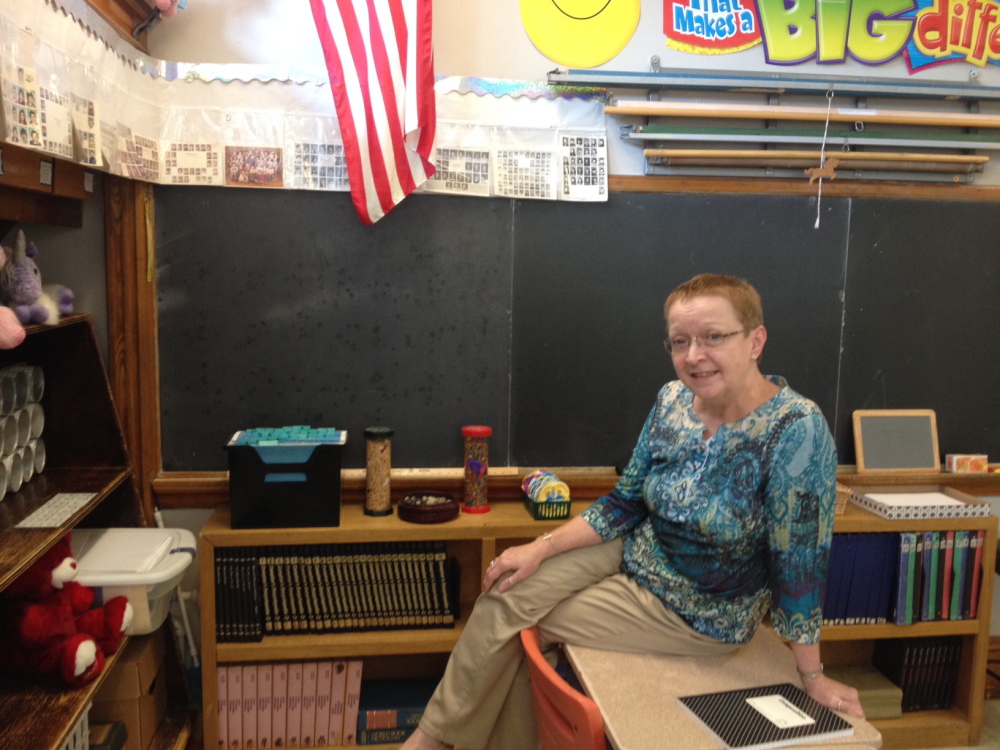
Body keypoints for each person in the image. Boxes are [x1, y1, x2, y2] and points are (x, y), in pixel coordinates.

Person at [401, 273, 863, 750]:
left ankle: (437, 745)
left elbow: (800, 567)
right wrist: (541, 548)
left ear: (756, 341)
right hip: (635, 546)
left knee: (525, 628)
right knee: (506, 586)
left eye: (713, 337)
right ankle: (429, 741)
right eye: (680, 341)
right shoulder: (672, 400)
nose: (693, 356)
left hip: (699, 609)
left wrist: (812, 677)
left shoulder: (796, 431)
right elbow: (626, 501)